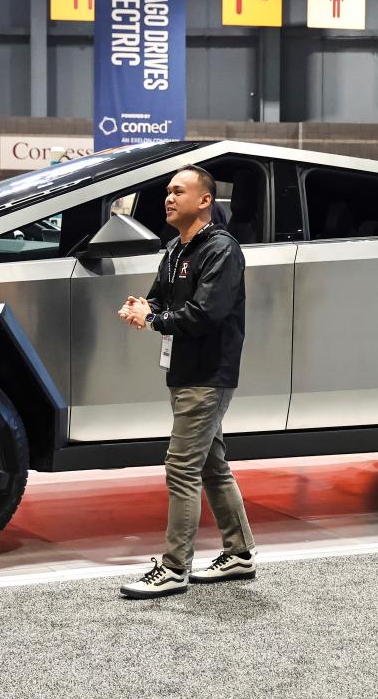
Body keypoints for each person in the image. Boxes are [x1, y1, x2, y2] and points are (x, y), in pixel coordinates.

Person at [116, 165, 256, 599]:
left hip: (208, 374)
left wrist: (153, 318)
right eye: (168, 191)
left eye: (179, 191)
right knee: (212, 466)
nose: (168, 198)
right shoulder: (177, 249)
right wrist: (146, 304)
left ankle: (175, 567)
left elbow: (206, 313)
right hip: (185, 372)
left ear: (205, 200)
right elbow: (163, 295)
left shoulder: (221, 249)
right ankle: (239, 554)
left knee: (181, 467)